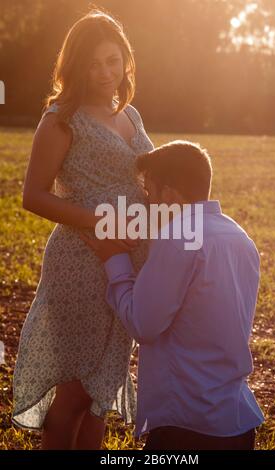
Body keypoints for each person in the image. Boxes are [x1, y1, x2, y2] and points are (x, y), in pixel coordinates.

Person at [12, 9, 154, 450]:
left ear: (125, 59)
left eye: (112, 60)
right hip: (82, 260)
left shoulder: (130, 114)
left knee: (100, 395)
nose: (105, 73)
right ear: (75, 65)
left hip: (129, 260)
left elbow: (149, 180)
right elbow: (33, 196)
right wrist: (102, 222)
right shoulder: (61, 118)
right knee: (74, 395)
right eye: (93, 63)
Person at [80, 140, 265, 450]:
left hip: (187, 423)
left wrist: (114, 259)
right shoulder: (239, 236)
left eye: (149, 192)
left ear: (169, 195)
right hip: (236, 421)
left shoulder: (178, 237)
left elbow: (144, 325)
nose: (147, 201)